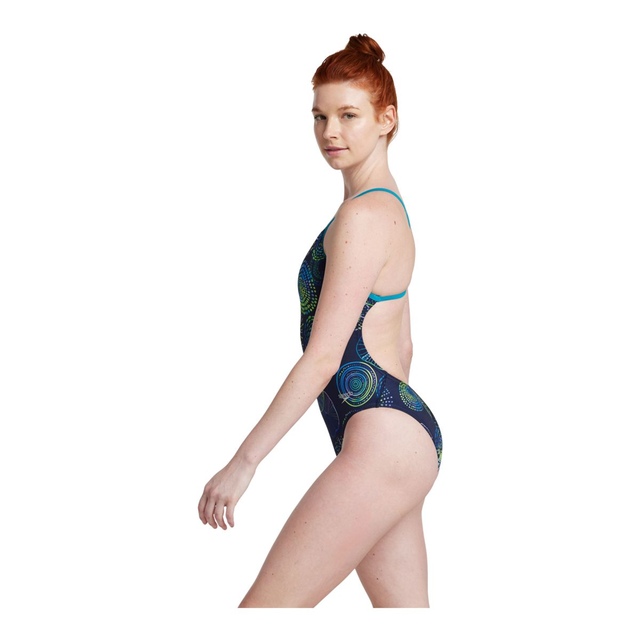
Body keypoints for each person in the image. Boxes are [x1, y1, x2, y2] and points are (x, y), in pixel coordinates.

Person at [198, 34, 443, 608]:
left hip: (384, 445)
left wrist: (244, 463)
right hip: (397, 439)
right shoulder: (388, 207)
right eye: (320, 116)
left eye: (349, 115)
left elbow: (324, 357)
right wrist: (391, 444)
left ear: (387, 120)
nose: (330, 131)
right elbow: (404, 346)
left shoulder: (364, 216)